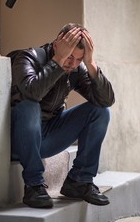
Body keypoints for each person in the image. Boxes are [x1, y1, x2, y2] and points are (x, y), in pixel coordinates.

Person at [10, 23, 115, 208]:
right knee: (29, 105)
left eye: (79, 59)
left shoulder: (75, 69)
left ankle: (79, 181)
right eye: (70, 56)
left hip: (48, 136)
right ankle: (34, 185)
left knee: (100, 111)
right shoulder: (27, 58)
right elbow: (32, 92)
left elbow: (106, 100)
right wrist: (58, 60)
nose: (73, 64)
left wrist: (90, 64)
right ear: (58, 42)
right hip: (19, 141)